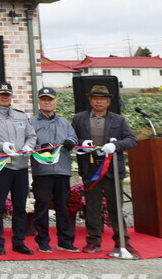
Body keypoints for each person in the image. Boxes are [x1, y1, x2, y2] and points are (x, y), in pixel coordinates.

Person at [71, 85, 139, 257]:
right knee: (92, 207)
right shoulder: (79, 119)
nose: (98, 101)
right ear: (90, 100)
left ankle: (122, 242)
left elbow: (131, 140)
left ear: (108, 102)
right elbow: (72, 138)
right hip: (90, 168)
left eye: (101, 99)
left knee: (115, 206)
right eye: (95, 98)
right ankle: (93, 241)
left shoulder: (119, 120)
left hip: (112, 168)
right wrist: (82, 144)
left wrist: (115, 145)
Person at [0, 82, 37, 256]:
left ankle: (19, 241)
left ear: (11, 96)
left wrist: (28, 146)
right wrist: (0, 146)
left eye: (7, 94)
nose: (5, 97)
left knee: (20, 207)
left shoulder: (21, 115)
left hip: (20, 166)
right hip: (0, 166)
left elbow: (31, 135)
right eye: (1, 94)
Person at [29, 87, 80, 254]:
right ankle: (42, 240)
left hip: (62, 170)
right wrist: (39, 147)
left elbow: (74, 137)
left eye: (50, 99)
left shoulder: (64, 122)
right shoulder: (32, 123)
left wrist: (70, 141)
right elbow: (28, 144)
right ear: (39, 101)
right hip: (42, 170)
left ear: (55, 101)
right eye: (44, 99)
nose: (47, 101)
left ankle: (65, 241)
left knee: (63, 207)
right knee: (42, 206)